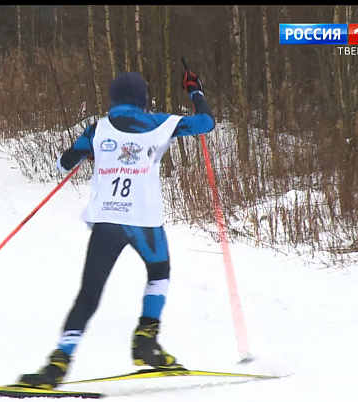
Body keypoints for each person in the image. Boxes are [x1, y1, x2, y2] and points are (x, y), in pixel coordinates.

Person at [17, 69, 215, 389]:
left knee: (89, 294)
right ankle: (146, 340)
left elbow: (64, 163)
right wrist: (195, 90)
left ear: (112, 99)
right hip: (143, 221)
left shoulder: (97, 128)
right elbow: (206, 122)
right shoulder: (159, 123)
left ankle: (57, 364)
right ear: (143, 99)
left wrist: (87, 153)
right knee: (159, 272)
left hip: (107, 220)